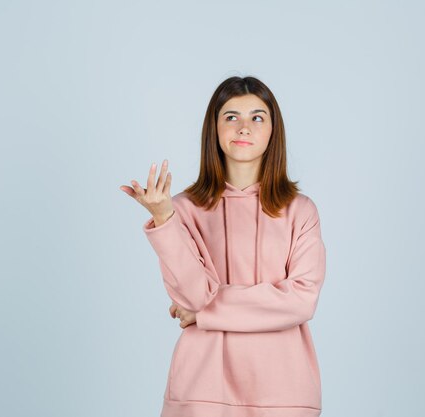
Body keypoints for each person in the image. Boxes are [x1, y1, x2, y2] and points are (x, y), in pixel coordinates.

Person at [119, 75, 327, 417]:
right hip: (201, 389)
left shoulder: (301, 211)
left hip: (284, 392)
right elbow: (192, 297)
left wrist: (205, 314)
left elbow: (301, 301)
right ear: (213, 129)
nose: (244, 127)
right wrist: (163, 217)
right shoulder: (181, 210)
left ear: (274, 130)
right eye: (231, 116)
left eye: (257, 117)